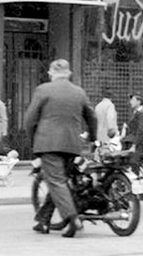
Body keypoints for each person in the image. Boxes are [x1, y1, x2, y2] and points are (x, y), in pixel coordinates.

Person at [24, 58, 97, 239]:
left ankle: (73, 220)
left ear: (51, 73)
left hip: (49, 143)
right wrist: (92, 138)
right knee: (60, 182)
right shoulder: (78, 92)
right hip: (72, 145)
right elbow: (92, 116)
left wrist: (34, 141)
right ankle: (44, 220)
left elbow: (29, 120)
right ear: (68, 73)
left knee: (56, 182)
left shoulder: (43, 90)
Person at [121, 93, 143, 162]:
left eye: (133, 100)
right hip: (131, 139)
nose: (131, 102)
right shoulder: (136, 112)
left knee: (132, 163)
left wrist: (134, 146)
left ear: (139, 101)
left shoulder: (142, 114)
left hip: (137, 142)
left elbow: (140, 131)